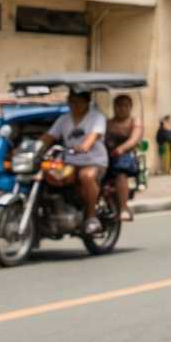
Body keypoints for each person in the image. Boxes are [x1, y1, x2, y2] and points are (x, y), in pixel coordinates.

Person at [46, 90, 109, 234]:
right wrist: (32, 148)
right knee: (48, 174)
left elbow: (93, 137)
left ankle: (92, 217)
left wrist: (83, 146)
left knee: (86, 176)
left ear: (87, 102)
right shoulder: (63, 119)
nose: (74, 105)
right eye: (71, 101)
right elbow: (48, 137)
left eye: (78, 101)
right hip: (70, 161)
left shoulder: (97, 118)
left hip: (94, 160)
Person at [102, 94, 142, 222]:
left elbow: (134, 139)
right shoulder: (107, 123)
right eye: (119, 105)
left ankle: (123, 207)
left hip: (125, 156)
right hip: (105, 155)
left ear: (130, 107)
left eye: (125, 106)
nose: (122, 108)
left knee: (120, 171)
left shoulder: (135, 122)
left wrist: (122, 149)